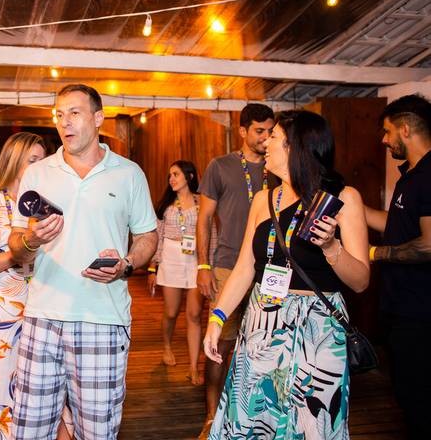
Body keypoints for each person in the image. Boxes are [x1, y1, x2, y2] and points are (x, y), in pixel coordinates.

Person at [203, 110, 370, 439]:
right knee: (255, 420)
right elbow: (245, 268)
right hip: (262, 327)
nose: (266, 143)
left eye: (274, 137)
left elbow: (361, 281)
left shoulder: (343, 198)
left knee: (312, 425)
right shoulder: (263, 200)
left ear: (296, 147)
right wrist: (217, 318)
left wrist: (332, 247)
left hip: (317, 331)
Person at [7, 84, 158, 440]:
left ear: (99, 118)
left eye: (74, 113)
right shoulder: (38, 173)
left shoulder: (129, 174)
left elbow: (148, 237)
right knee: (29, 431)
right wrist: (32, 240)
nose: (64, 122)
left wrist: (126, 264)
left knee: (97, 432)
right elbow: (16, 245)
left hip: (102, 320)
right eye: (59, 115)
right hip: (42, 319)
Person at [195, 103, 275, 436]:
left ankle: (254, 413)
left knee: (264, 343)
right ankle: (211, 416)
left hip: (270, 270)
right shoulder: (221, 166)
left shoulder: (279, 166)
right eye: (259, 131)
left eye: (270, 131)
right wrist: (203, 265)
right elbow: (203, 219)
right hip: (228, 267)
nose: (266, 137)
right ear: (242, 131)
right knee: (220, 343)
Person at [362, 94, 431, 439]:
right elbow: (397, 223)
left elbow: (429, 245)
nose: (384, 140)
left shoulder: (429, 175)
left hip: (421, 313)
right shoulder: (411, 177)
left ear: (405, 129)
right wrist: (350, 205)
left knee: (419, 401)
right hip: (404, 308)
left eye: (387, 132)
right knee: (407, 395)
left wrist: (375, 254)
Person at [0, 132, 48, 439]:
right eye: (33, 160)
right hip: (8, 308)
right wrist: (25, 248)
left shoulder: (45, 206)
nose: (40, 166)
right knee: (5, 384)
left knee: (44, 385)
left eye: (43, 160)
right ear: (14, 161)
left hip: (47, 304)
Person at [147, 160, 214, 384]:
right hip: (171, 258)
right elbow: (158, 237)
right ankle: (166, 346)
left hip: (196, 260)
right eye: (170, 175)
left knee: (194, 314)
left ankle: (193, 367)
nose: (171, 179)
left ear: (190, 176)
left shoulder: (202, 202)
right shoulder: (166, 205)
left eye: (175, 174)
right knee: (171, 312)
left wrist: (209, 266)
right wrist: (152, 268)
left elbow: (211, 232)